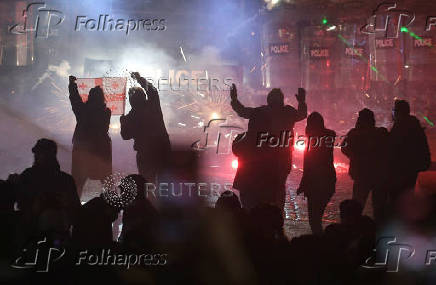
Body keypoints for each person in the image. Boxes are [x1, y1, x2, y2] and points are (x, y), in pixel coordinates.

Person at [230, 84, 307, 211]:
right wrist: (302, 102)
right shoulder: (288, 112)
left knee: (261, 187)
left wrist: (234, 99)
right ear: (281, 100)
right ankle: (277, 213)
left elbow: (242, 111)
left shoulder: (260, 112)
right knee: (279, 186)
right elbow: (302, 114)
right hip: (283, 157)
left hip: (264, 157)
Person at [11, 139, 80, 249]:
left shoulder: (29, 176)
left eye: (41, 153)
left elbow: (75, 209)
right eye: (38, 153)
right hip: (37, 227)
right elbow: (20, 202)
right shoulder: (65, 179)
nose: (37, 156)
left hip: (43, 229)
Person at [120, 72, 171, 183]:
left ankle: (149, 200)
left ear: (131, 100)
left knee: (147, 182)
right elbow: (152, 90)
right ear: (143, 96)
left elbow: (125, 136)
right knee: (166, 182)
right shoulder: (153, 105)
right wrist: (139, 78)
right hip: (162, 149)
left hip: (145, 153)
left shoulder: (130, 117)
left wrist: (122, 122)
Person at [341, 108, 389, 223]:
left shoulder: (354, 134)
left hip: (361, 175)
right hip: (379, 175)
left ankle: (353, 229)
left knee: (357, 205)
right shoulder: (381, 133)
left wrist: (354, 157)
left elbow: (344, 148)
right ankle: (379, 233)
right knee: (379, 208)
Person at [69, 75, 112, 197]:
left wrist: (72, 84)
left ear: (90, 97)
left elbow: (74, 99)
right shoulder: (106, 112)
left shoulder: (82, 110)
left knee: (78, 182)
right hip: (101, 150)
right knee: (104, 182)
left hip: (82, 150)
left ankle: (75, 208)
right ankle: (106, 209)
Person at [297, 112, 336, 234]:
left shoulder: (313, 143)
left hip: (315, 185)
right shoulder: (328, 136)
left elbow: (309, 167)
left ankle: (320, 244)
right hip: (328, 180)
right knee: (316, 217)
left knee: (314, 219)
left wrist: (303, 185)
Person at [388, 100, 431, 207]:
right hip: (412, 166)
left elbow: (393, 146)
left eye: (395, 110)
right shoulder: (415, 125)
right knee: (407, 193)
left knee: (397, 196)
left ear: (399, 112)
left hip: (401, 167)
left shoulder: (400, 126)